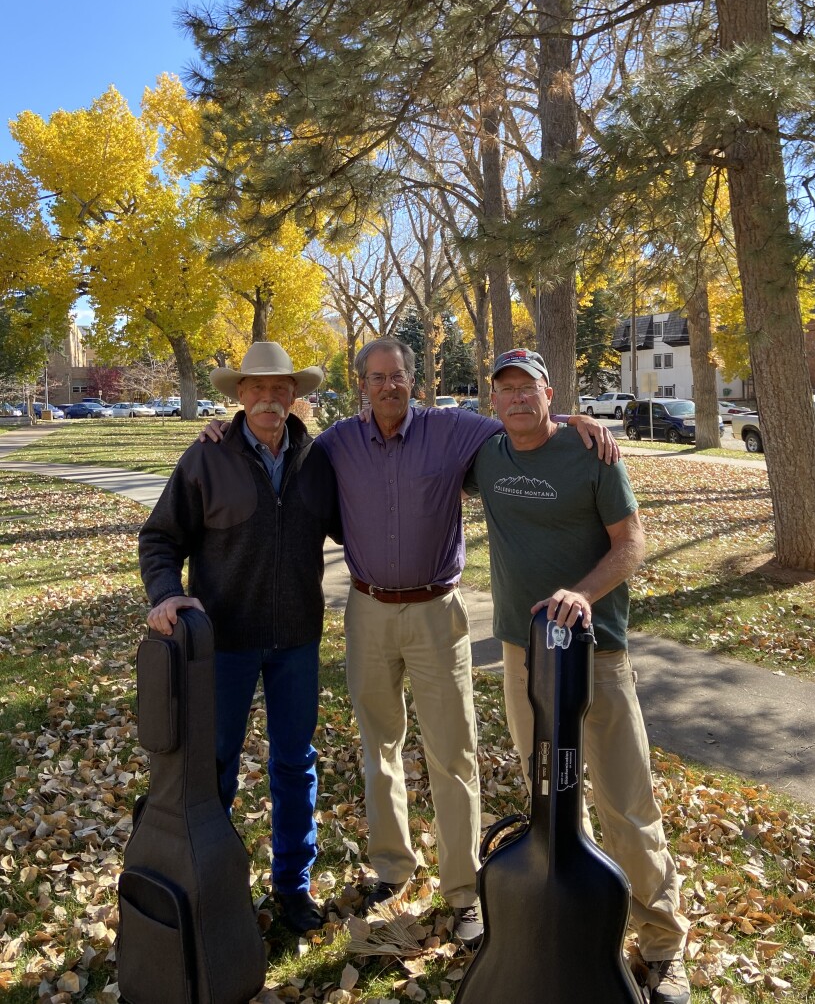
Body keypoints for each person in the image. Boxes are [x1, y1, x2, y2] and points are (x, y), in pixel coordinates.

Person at [314, 338, 618, 947]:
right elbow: (283, 453)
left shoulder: (454, 431)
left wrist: (573, 421)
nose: (388, 386)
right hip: (367, 607)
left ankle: (461, 891)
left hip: (436, 612)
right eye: (376, 378)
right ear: (361, 385)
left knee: (453, 752)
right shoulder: (337, 442)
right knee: (380, 746)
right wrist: (227, 428)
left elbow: (524, 423)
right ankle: (393, 866)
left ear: (413, 381)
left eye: (398, 376)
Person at [464, 348, 690, 1004]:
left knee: (627, 804)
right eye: (503, 390)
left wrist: (583, 594)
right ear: (493, 401)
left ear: (547, 391)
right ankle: (580, 929)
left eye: (527, 389)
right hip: (522, 655)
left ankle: (662, 946)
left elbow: (632, 542)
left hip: (597, 653)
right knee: (553, 803)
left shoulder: (593, 454)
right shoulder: (487, 455)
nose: (514, 400)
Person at [138, 342, 341, 936]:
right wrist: (165, 594)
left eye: (281, 389)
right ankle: (208, 880)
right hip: (221, 645)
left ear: (294, 396)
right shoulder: (206, 459)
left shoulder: (318, 459)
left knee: (294, 764)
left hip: (297, 641)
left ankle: (292, 887)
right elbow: (159, 539)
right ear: (240, 395)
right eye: (257, 388)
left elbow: (361, 518)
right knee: (214, 765)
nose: (270, 399)